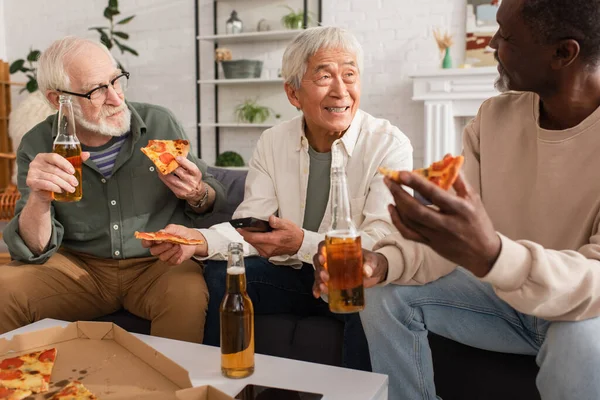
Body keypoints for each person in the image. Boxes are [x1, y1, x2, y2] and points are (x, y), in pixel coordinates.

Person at [313, 0, 600, 398]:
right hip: (508, 303)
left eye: (508, 37)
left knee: (580, 337)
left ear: (563, 53)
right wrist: (382, 262)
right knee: (381, 291)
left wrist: (493, 256)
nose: (493, 44)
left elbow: (595, 282)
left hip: (585, 313)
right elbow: (449, 239)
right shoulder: (494, 118)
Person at [144, 26, 413, 369]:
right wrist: (199, 240)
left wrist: (301, 242)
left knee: (369, 295)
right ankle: (220, 384)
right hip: (288, 274)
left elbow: (378, 242)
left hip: (345, 278)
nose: (341, 90)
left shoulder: (389, 145)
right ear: (293, 93)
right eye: (324, 76)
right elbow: (252, 224)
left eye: (349, 74)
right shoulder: (273, 141)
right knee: (225, 275)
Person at [0, 36, 226, 344]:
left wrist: (197, 192)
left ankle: (174, 391)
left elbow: (212, 195)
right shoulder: (38, 144)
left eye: (116, 80)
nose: (116, 98)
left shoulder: (159, 122)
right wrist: (39, 199)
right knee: (4, 290)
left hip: (156, 265)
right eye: (96, 90)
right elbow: (34, 248)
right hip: (77, 267)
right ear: (57, 100)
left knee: (186, 294)